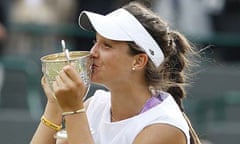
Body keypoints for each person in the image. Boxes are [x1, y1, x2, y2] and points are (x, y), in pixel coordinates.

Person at [31, 1, 201, 144]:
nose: (92, 52)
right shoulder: (95, 105)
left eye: (107, 45)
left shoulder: (165, 127)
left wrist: (74, 110)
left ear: (138, 61)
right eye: (95, 42)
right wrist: (55, 106)